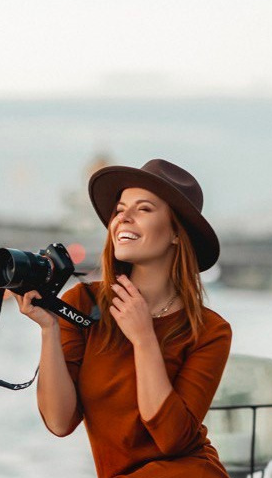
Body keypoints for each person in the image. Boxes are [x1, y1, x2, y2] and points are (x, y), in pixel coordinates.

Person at [13, 159, 232, 478]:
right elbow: (59, 423)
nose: (123, 218)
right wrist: (49, 330)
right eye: (119, 210)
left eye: (143, 209)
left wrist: (144, 339)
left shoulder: (210, 330)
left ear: (175, 232)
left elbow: (173, 440)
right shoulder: (83, 303)